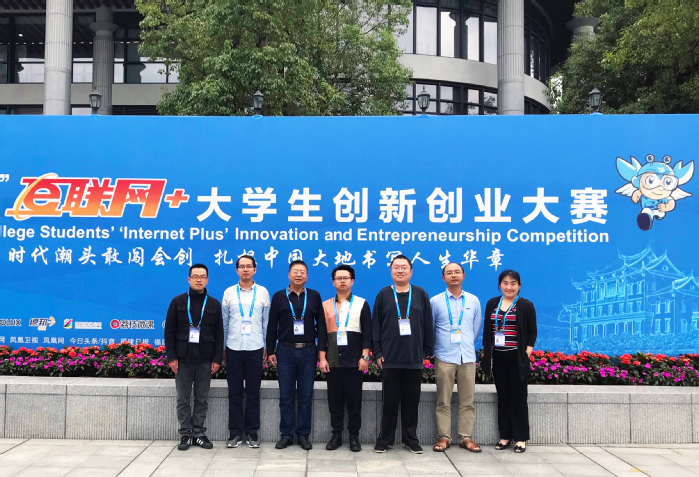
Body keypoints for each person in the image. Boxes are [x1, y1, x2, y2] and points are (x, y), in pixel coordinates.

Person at [372, 255, 434, 454]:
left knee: (411, 403)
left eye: (404, 267)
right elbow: (376, 326)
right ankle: (385, 439)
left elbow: (428, 324)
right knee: (389, 403)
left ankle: (410, 439)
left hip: (414, 360)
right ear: (391, 271)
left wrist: (425, 352)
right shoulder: (383, 294)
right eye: (396, 267)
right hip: (390, 359)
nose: (400, 270)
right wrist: (378, 352)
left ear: (411, 271)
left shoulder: (420, 294)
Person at [266, 260, 327, 450]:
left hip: (308, 350)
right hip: (285, 351)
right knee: (286, 395)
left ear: (307, 276)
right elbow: (272, 326)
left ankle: (303, 435)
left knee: (305, 395)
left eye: (302, 272)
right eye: (295, 271)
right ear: (289, 274)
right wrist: (271, 350)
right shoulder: (279, 296)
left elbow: (322, 326)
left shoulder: (314, 296)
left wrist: (321, 353)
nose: (298, 275)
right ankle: (286, 435)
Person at [164, 263, 223, 451]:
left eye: (202, 277)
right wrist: (172, 357)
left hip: (205, 359)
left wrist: (216, 359)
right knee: (183, 399)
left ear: (207, 280)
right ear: (189, 279)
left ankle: (198, 433)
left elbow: (219, 334)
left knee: (202, 399)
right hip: (182, 359)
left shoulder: (214, 304)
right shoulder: (178, 302)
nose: (199, 280)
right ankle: (185, 434)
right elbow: (169, 332)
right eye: (195, 276)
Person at [479, 270, 537, 453]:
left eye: (513, 283)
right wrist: (487, 354)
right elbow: (488, 330)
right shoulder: (492, 303)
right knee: (503, 398)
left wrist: (526, 352)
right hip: (499, 357)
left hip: (517, 357)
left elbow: (532, 331)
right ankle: (504, 436)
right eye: (505, 283)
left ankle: (520, 438)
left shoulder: (525, 305)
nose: (509, 287)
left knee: (518, 398)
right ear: (499, 285)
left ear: (519, 286)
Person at [319, 265, 372, 452]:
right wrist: (322, 358)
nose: (342, 281)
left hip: (354, 360)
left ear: (352, 281)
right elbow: (322, 335)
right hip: (333, 360)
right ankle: (336, 435)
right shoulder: (326, 305)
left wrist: (364, 356)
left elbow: (367, 333)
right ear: (333, 282)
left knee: (354, 401)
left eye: (346, 278)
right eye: (338, 278)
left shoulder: (362, 303)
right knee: (334, 401)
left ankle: (354, 436)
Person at [430, 262, 483, 453]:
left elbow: (475, 329)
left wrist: (465, 344)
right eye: (449, 272)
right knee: (443, 400)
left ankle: (465, 437)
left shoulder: (473, 301)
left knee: (467, 401)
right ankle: (444, 437)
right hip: (444, 356)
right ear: (443, 277)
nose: (453, 275)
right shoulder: (435, 301)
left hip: (467, 357)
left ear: (464, 275)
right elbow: (432, 328)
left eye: (457, 272)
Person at [221, 254, 271, 449]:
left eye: (249, 266)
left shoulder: (263, 293)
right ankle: (235, 433)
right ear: (237, 270)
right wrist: (223, 347)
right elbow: (224, 322)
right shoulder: (229, 293)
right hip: (233, 347)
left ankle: (252, 432)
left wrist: (266, 346)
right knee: (234, 393)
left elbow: (266, 323)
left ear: (255, 269)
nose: (245, 269)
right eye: (241, 266)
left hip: (255, 347)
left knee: (253, 393)